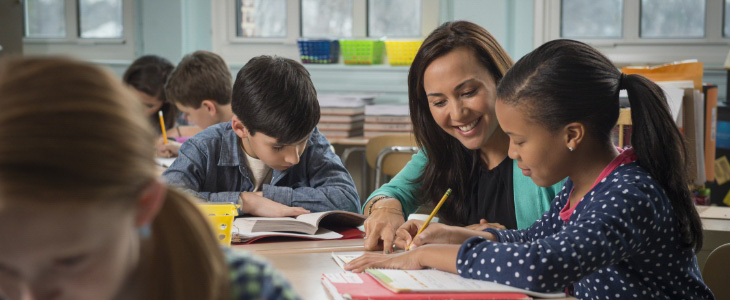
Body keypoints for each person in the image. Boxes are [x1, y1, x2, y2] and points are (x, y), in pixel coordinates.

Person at [346, 39, 714, 299]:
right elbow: (534, 238)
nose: (511, 151)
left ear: (572, 135)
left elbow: (542, 264)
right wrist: (454, 235)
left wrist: (424, 255)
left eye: (519, 141)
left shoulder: (627, 194)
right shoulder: (584, 188)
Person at [0, 56, 298, 300]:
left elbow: (344, 195)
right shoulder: (203, 145)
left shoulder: (247, 289)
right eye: (5, 270)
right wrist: (244, 200)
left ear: (144, 205)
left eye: (70, 261)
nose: (31, 296)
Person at [363, 21, 565, 253]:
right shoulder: (443, 150)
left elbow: (564, 244)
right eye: (439, 102)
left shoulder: (547, 148)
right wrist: (385, 209)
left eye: (468, 92)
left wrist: (478, 239)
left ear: (502, 80)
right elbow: (385, 195)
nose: (458, 114)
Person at [162, 55, 360, 217]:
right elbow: (165, 201)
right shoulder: (204, 147)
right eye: (278, 147)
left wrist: (268, 196)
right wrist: (244, 202)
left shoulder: (312, 139)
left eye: (301, 142)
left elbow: (348, 201)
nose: (294, 157)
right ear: (240, 128)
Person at [158, 51, 236, 157]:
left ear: (209, 107)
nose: (186, 118)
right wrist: (180, 148)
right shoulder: (226, 129)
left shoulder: (246, 134)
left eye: (187, 113)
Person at [122, 55, 199, 157]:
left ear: (166, 101)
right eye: (132, 99)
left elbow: (210, 132)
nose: (138, 108)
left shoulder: (182, 112)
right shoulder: (117, 106)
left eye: (149, 105)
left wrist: (177, 132)